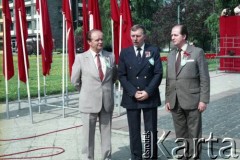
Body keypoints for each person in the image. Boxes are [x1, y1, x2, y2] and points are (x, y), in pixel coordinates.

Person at [118, 24, 163, 160]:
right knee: (134, 131)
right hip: (132, 97)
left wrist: (148, 91)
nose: (135, 39)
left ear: (144, 36)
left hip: (149, 96)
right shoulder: (125, 52)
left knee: (150, 131)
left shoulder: (153, 50)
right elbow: (122, 75)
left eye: (138, 35)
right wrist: (133, 92)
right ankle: (136, 157)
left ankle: (150, 156)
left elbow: (158, 73)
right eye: (133, 36)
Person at [165, 24, 210, 159]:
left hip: (193, 101)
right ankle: (183, 156)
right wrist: (168, 99)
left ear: (184, 36)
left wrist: (203, 99)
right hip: (175, 101)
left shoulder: (197, 52)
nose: (172, 37)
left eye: (175, 35)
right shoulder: (171, 55)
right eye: (171, 35)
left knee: (194, 133)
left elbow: (204, 78)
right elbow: (169, 79)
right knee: (180, 133)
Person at [71, 29, 117, 160]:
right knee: (87, 136)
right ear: (89, 42)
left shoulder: (110, 56)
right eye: (97, 40)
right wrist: (86, 91)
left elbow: (113, 77)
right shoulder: (80, 58)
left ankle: (106, 157)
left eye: (102, 39)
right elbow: (75, 81)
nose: (101, 42)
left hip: (107, 102)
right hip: (88, 103)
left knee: (107, 133)